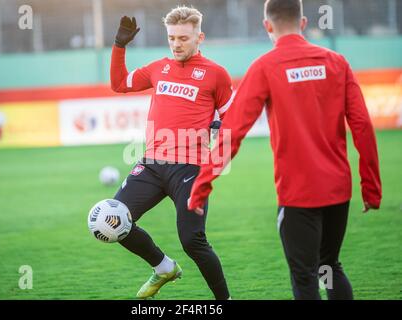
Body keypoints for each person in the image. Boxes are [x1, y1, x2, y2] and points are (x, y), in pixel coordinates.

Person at [188, 0, 382, 300]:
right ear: (303, 23)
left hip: (298, 196)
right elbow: (362, 127)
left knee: (305, 278)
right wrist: (371, 188)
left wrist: (202, 185)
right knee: (329, 266)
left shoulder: (265, 67)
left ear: (268, 26)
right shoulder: (337, 62)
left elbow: (232, 132)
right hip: (338, 192)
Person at [110, 6, 233, 299]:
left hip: (191, 168)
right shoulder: (158, 67)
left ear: (199, 37)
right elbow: (118, 84)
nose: (176, 44)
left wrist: (222, 126)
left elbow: (236, 118)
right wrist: (118, 46)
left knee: (192, 241)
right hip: (152, 164)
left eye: (183, 38)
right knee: (113, 221)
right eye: (172, 38)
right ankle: (164, 267)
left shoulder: (216, 74)